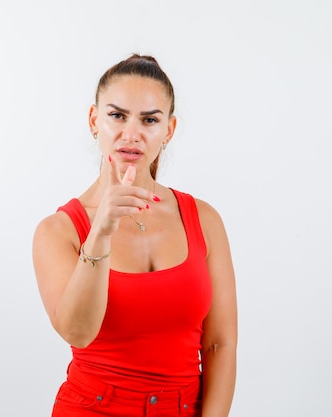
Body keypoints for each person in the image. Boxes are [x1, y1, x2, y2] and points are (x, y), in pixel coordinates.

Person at [32, 54, 237, 417]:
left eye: (149, 119)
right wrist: (101, 233)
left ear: (169, 130)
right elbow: (78, 332)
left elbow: (219, 344)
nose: (132, 133)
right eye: (117, 115)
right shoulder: (58, 231)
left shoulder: (203, 219)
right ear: (95, 120)